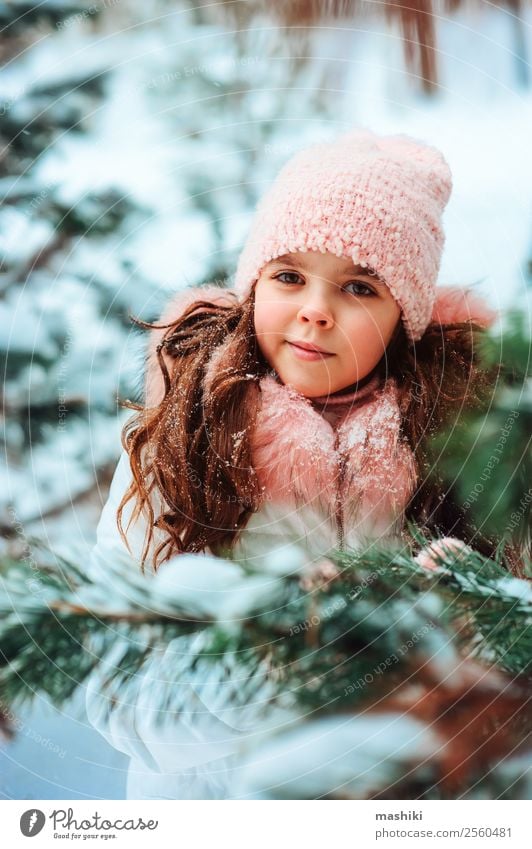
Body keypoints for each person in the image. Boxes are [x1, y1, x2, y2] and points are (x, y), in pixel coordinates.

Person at [86, 128, 498, 799]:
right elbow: (117, 694)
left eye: (360, 287)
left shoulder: (455, 455)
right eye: (288, 276)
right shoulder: (175, 447)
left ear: (404, 317)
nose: (315, 309)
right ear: (253, 288)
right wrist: (286, 678)